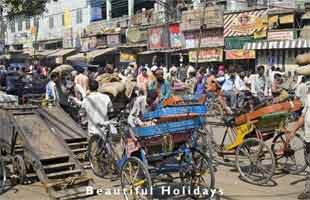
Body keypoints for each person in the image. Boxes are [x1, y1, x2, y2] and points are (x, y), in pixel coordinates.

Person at [288, 84, 310, 199]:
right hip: (308, 137)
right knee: (308, 161)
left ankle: (308, 190)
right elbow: (303, 116)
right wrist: (293, 130)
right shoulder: (308, 97)